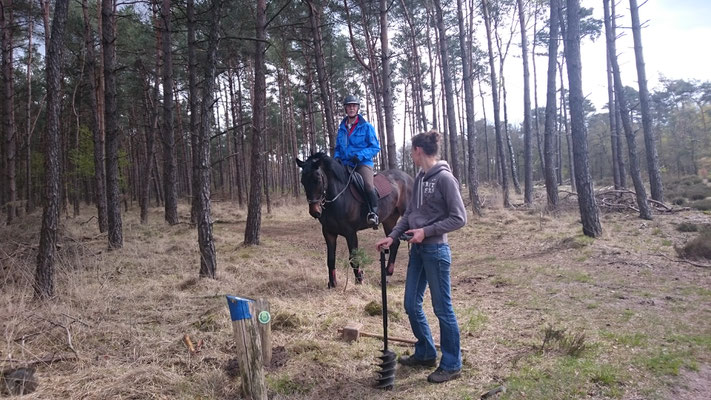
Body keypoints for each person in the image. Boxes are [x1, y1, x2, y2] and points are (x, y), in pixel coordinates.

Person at [375, 130, 467, 384]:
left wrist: (425, 232)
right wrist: (392, 236)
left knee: (442, 309)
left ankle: (451, 363)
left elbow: (459, 218)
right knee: (410, 304)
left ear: (418, 150)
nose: (410, 155)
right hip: (417, 250)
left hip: (436, 251)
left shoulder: (445, 179)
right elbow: (409, 214)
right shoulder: (420, 176)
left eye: (411, 150)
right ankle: (426, 351)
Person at [334, 95, 381, 228]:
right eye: (349, 106)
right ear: (345, 109)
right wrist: (336, 158)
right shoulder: (341, 128)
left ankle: (373, 212)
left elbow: (375, 147)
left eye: (354, 106)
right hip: (344, 163)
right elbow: (338, 147)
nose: (351, 108)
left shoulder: (366, 127)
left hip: (362, 163)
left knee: (367, 184)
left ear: (358, 108)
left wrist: (359, 156)